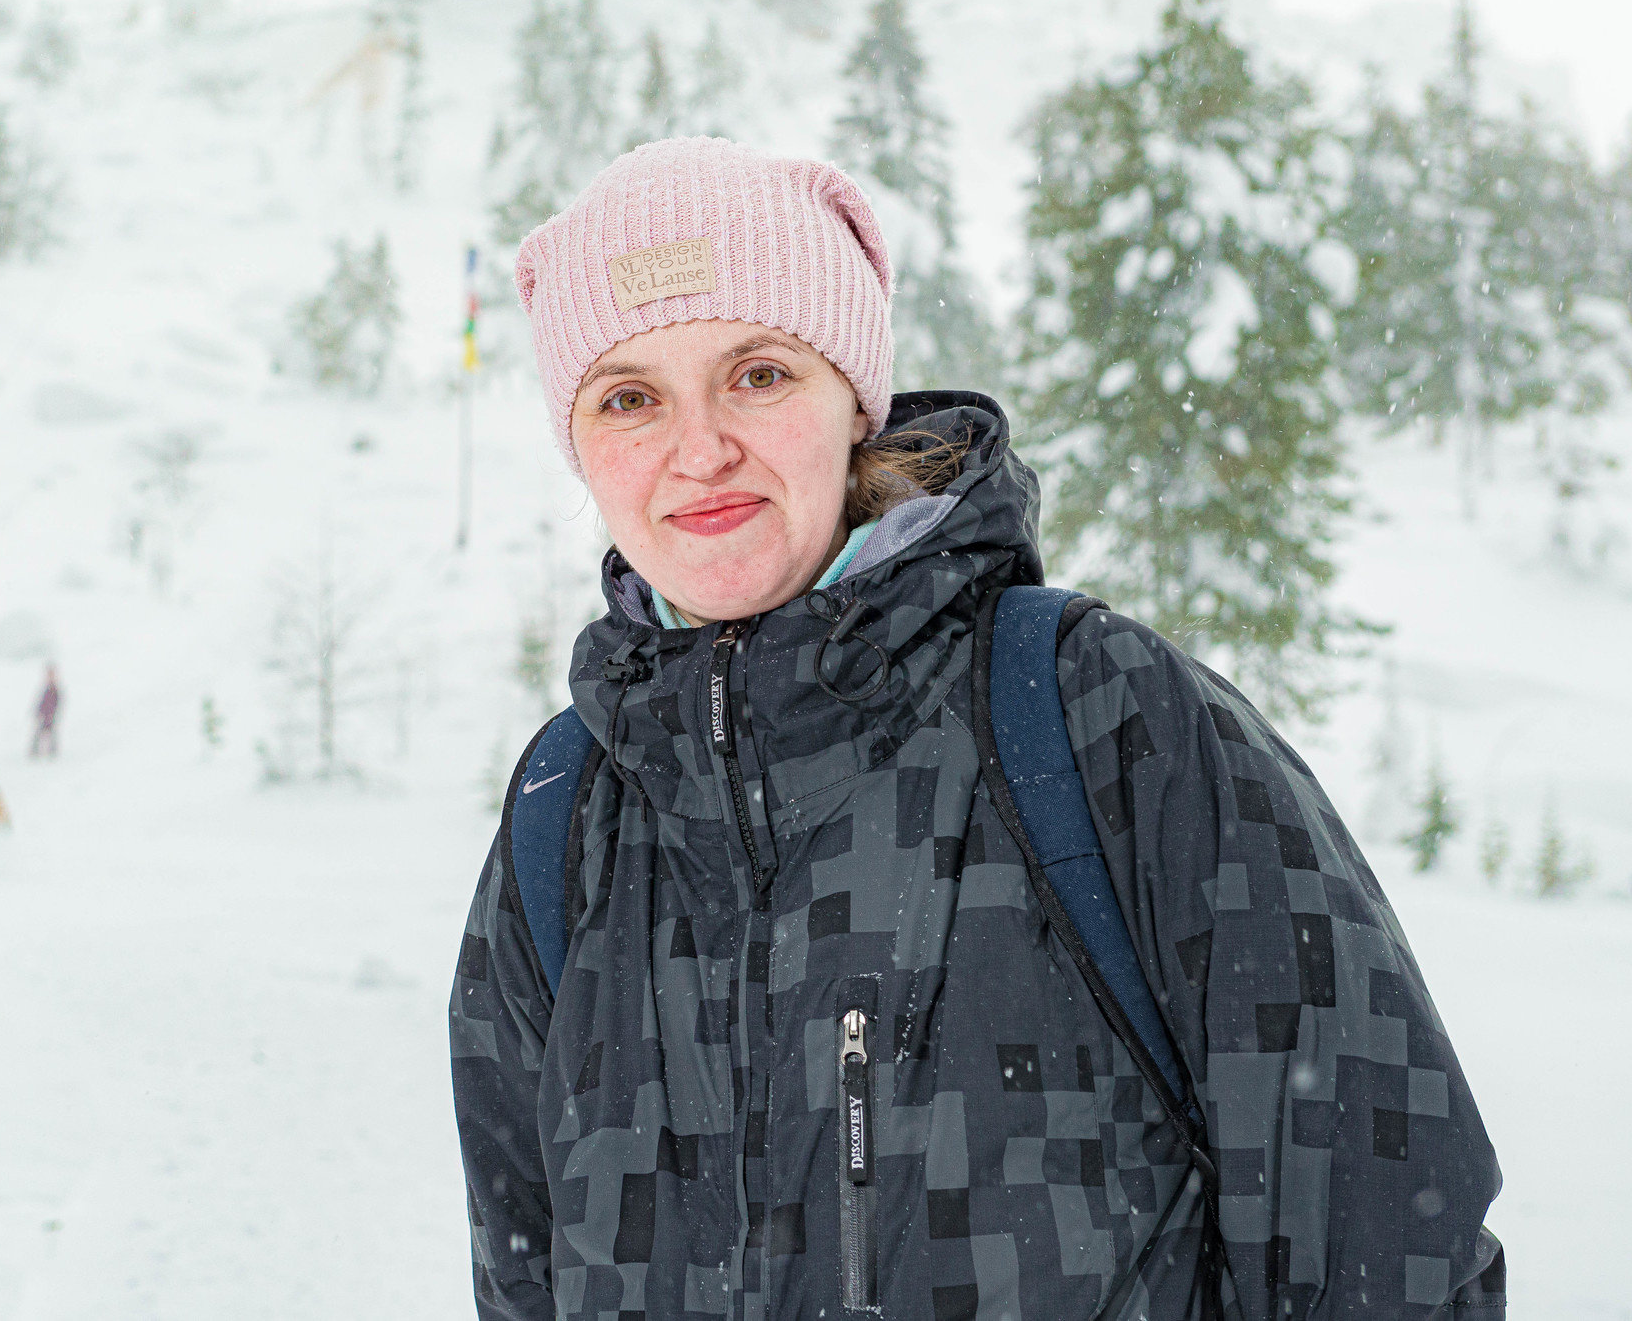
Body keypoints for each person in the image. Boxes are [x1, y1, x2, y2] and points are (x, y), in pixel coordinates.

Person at [449, 138, 1504, 1319]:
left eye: (757, 372)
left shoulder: (1091, 712)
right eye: (629, 396)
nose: (700, 450)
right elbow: (524, 1277)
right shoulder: (569, 808)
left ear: (853, 399)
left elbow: (1384, 1240)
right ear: (579, 444)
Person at [30, 664, 61, 760]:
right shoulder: (47, 688)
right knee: (40, 733)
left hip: (50, 715)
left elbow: (56, 703)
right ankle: (35, 751)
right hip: (45, 715)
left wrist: (52, 713)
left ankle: (52, 752)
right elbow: (42, 702)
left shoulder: (54, 689)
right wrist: (39, 711)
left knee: (50, 733)